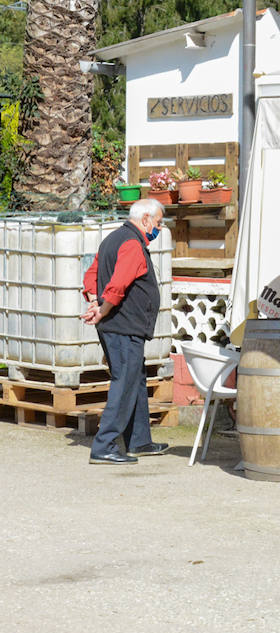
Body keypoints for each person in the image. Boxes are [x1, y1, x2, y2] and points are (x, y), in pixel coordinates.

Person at [81, 199, 171, 464]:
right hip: (123, 325)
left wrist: (94, 299)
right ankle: (104, 445)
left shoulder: (111, 240)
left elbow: (91, 275)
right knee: (125, 382)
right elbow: (118, 283)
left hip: (119, 325)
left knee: (135, 379)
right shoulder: (132, 244)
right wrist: (104, 308)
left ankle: (139, 441)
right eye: (158, 222)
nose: (159, 228)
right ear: (145, 219)